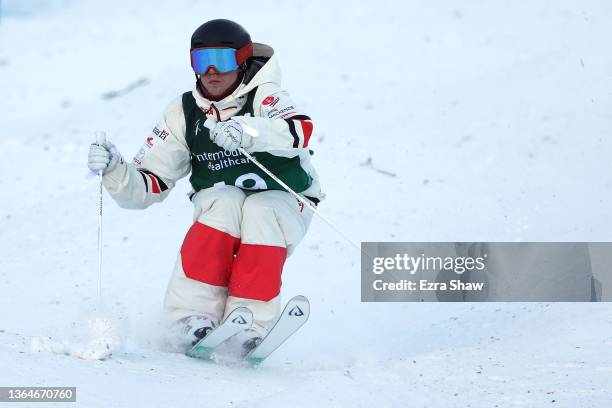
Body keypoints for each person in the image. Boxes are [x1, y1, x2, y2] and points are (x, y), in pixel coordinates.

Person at [87, 19, 323, 353]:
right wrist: (115, 170)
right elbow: (150, 183)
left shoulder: (264, 96)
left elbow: (300, 130)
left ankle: (250, 322)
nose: (211, 71)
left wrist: (249, 132)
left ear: (241, 61)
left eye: (222, 60)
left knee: (261, 208)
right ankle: (192, 317)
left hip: (289, 198)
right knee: (222, 200)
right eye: (201, 61)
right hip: (223, 201)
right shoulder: (184, 112)